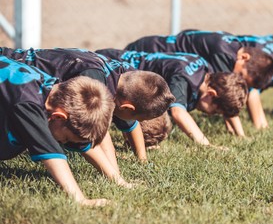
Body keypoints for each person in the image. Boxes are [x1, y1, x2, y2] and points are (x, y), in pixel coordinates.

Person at [0, 47, 175, 166]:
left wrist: (142, 159)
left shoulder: (125, 77)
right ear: (128, 108)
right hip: (10, 71)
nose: (137, 123)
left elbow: (130, 124)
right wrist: (114, 174)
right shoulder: (94, 81)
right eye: (139, 118)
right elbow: (101, 133)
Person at [0, 56, 117, 206]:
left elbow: (82, 145)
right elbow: (50, 151)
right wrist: (80, 200)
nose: (64, 143)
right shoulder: (27, 101)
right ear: (58, 117)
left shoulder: (51, 91)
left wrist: (115, 178)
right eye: (66, 139)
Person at [123, 29, 273, 135]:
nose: (238, 77)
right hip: (148, 49)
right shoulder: (223, 54)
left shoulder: (232, 46)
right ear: (244, 58)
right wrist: (239, 134)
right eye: (241, 74)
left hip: (158, 52)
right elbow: (225, 94)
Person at [95, 49, 248, 147]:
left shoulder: (205, 71)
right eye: (215, 111)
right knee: (153, 130)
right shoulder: (183, 79)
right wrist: (206, 145)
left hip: (119, 58)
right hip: (110, 65)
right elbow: (178, 113)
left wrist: (240, 134)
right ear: (211, 94)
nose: (211, 114)